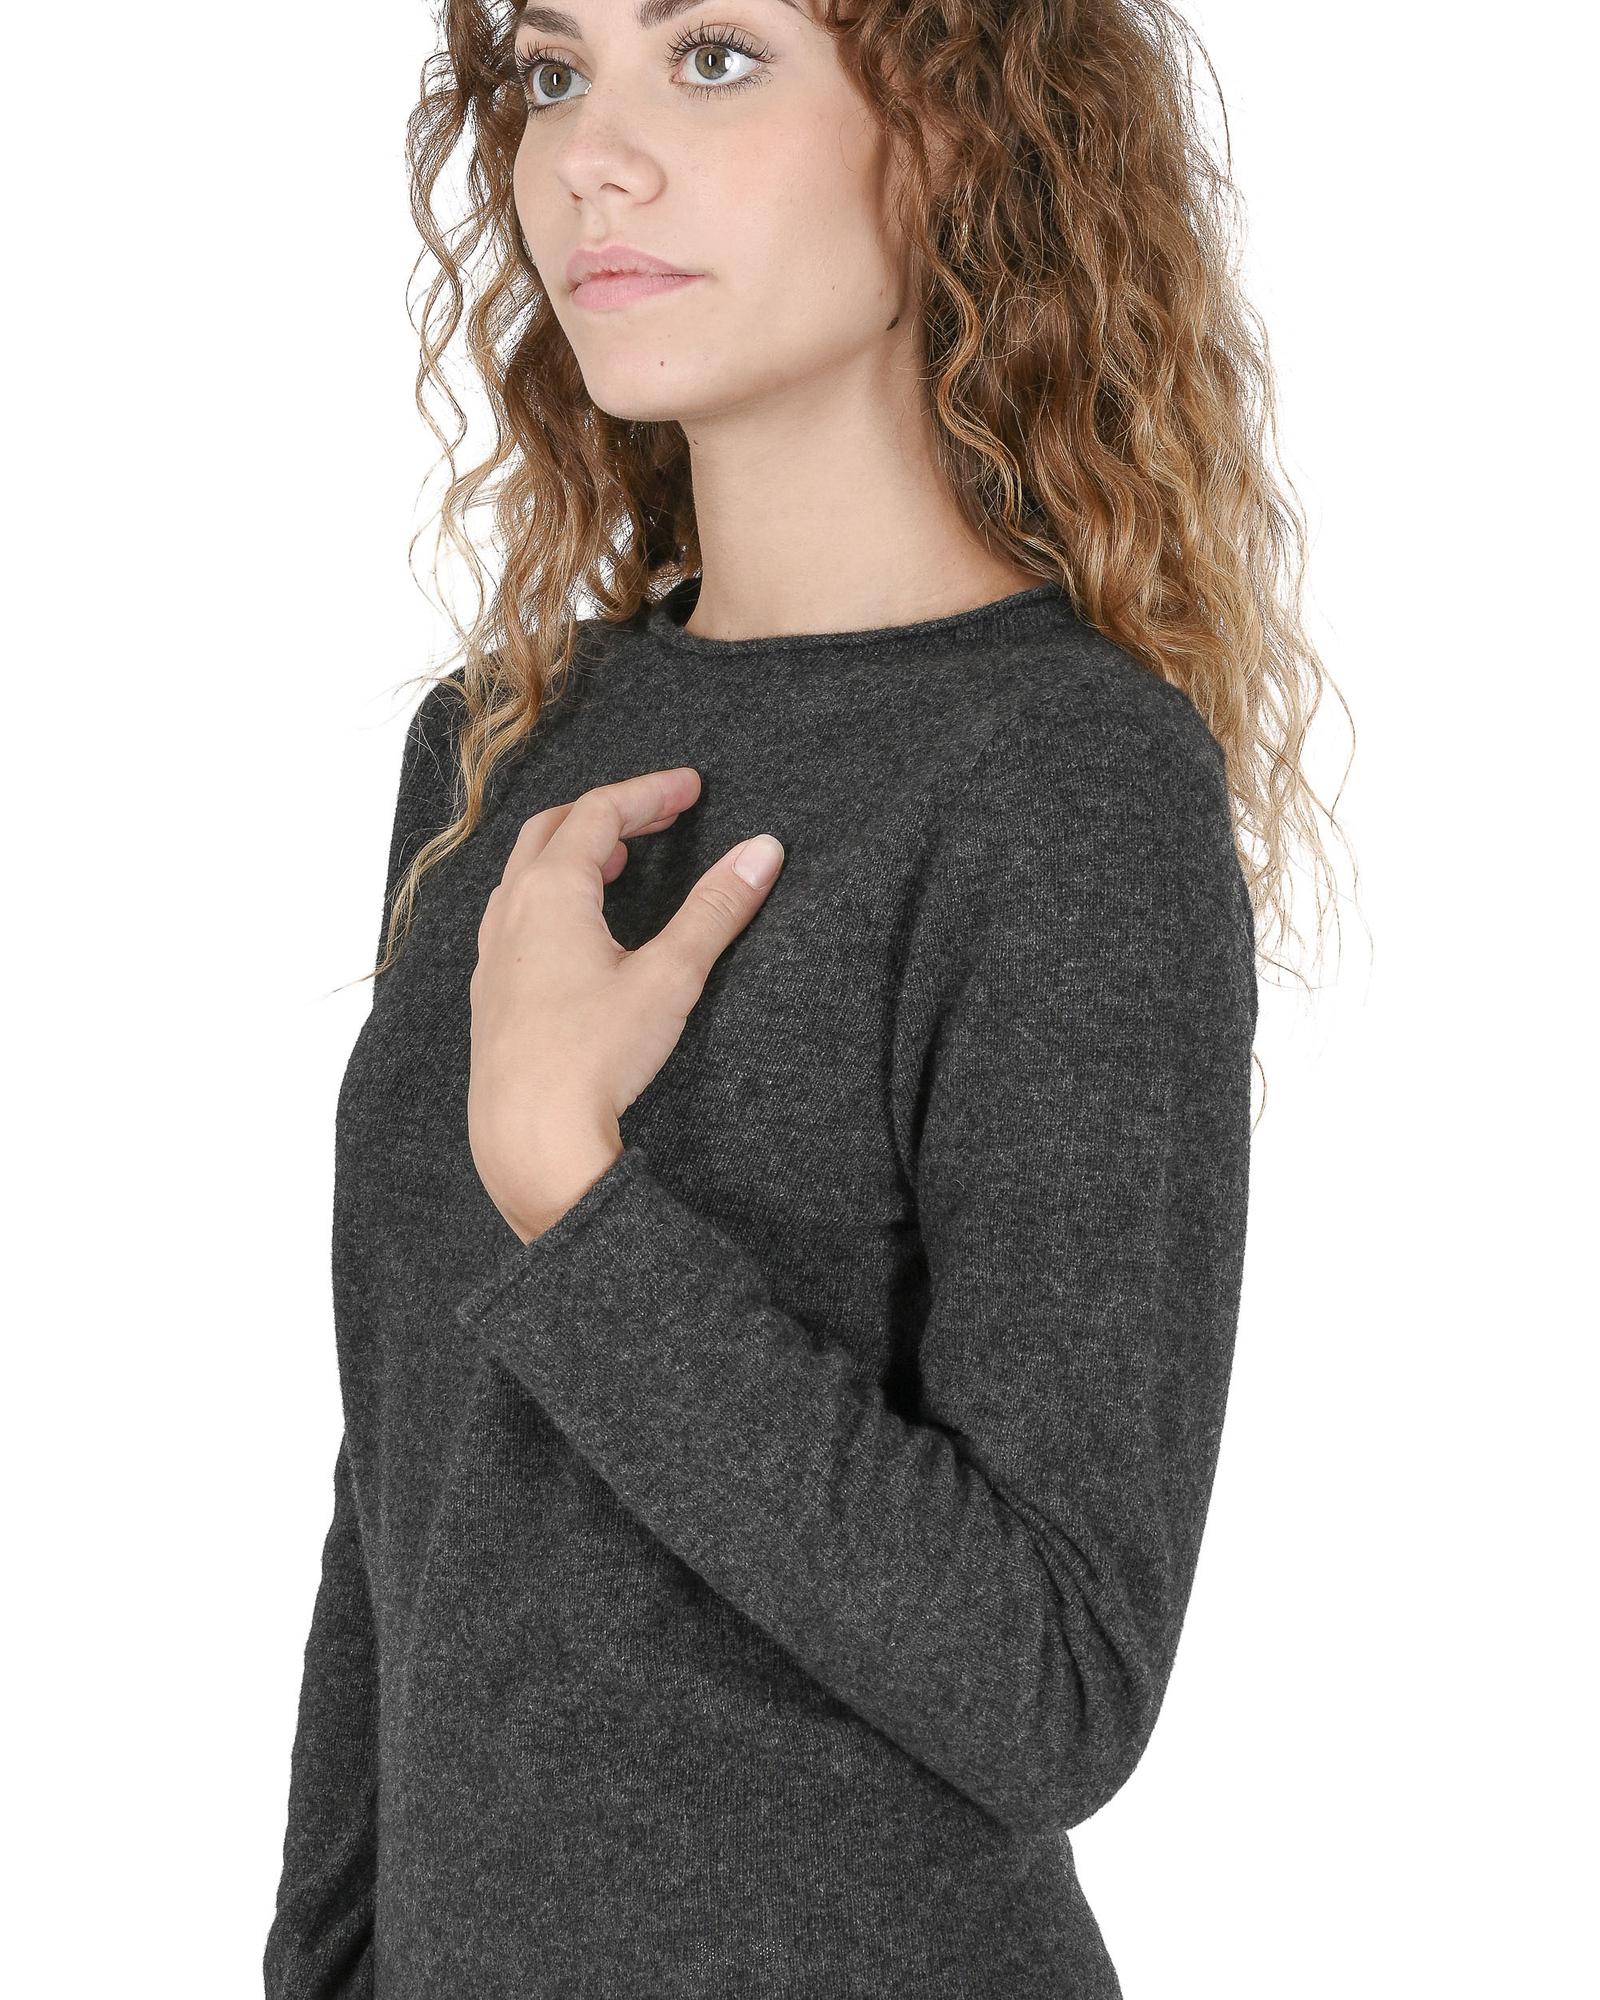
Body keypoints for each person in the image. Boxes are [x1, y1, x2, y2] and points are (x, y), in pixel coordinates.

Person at [264, 1, 1342, 1993]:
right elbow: (409, 1492)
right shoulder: (496, 751)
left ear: (955, 129)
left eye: (715, 55)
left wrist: (574, 1200)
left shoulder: (1063, 786)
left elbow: (1056, 1684)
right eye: (554, 72)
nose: (592, 157)